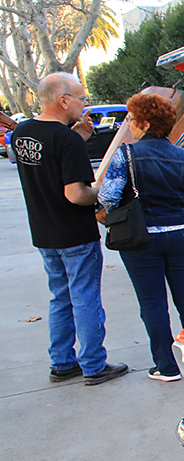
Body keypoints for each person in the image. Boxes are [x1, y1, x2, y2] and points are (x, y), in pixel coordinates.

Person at [12, 73, 127, 385]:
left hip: (44, 231)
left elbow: (48, 161)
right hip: (75, 233)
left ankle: (62, 362)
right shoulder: (67, 140)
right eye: (80, 98)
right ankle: (94, 365)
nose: (84, 104)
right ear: (63, 101)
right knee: (86, 298)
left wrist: (77, 138)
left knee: (60, 298)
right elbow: (76, 194)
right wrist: (101, 192)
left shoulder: (22, 132)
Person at [98, 93, 184, 381]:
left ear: (145, 123)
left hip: (141, 238)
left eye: (132, 119)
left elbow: (108, 197)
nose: (129, 124)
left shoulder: (126, 155)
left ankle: (166, 366)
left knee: (152, 304)